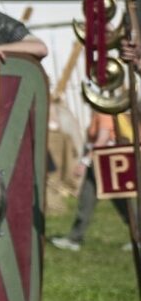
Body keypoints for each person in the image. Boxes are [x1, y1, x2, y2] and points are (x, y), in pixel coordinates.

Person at [51, 107, 135, 251]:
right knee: (87, 200)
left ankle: (138, 237)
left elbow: (103, 138)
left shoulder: (104, 111)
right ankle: (74, 237)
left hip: (105, 161)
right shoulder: (100, 112)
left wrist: (85, 161)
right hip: (99, 162)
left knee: (122, 202)